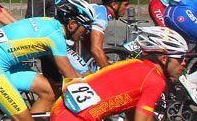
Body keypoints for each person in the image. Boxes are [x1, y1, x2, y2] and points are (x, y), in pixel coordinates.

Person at [0, 3, 93, 121]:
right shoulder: (55, 37)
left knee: (50, 93)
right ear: (72, 24)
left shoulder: (50, 23)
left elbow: (72, 65)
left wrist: (88, 78)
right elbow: (69, 74)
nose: (87, 33)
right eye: (86, 28)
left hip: (0, 63)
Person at [49, 26, 188, 121]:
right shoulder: (156, 80)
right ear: (164, 59)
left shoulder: (133, 64)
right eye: (181, 58)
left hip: (61, 108)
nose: (184, 63)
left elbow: (132, 109)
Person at [89, 0, 134, 68]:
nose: (128, 7)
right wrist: (110, 72)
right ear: (114, 5)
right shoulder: (101, 16)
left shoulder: (99, 10)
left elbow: (88, 42)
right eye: (126, 4)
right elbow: (96, 49)